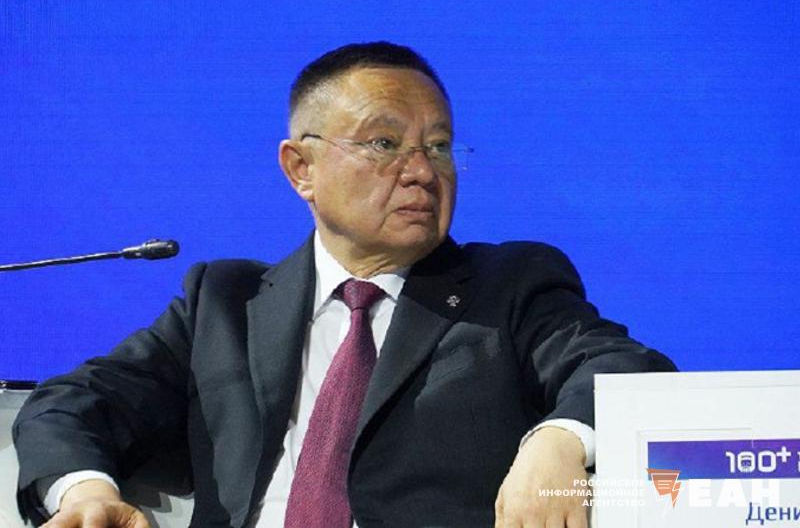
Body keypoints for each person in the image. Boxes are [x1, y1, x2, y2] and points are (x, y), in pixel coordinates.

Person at [14, 41, 676, 527]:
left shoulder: (508, 285)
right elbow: (71, 403)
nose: (423, 171)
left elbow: (622, 369)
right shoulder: (226, 302)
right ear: (300, 168)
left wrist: (558, 441)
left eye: (439, 146)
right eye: (384, 144)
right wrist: (86, 493)